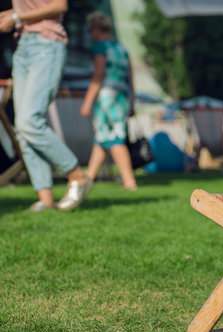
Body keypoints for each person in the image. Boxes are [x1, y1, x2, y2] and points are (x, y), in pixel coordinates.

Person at [0, 0, 93, 211]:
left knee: (29, 121)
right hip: (23, 45)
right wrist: (13, 13)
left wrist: (16, 17)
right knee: (23, 130)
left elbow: (60, 5)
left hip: (46, 44)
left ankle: (78, 176)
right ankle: (46, 198)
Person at [81, 11, 137, 190]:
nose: (90, 33)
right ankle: (87, 179)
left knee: (115, 138)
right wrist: (132, 100)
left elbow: (98, 75)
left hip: (107, 96)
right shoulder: (121, 48)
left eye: (90, 29)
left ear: (97, 28)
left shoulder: (101, 47)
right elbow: (130, 76)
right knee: (101, 137)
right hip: (122, 96)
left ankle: (129, 181)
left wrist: (88, 101)